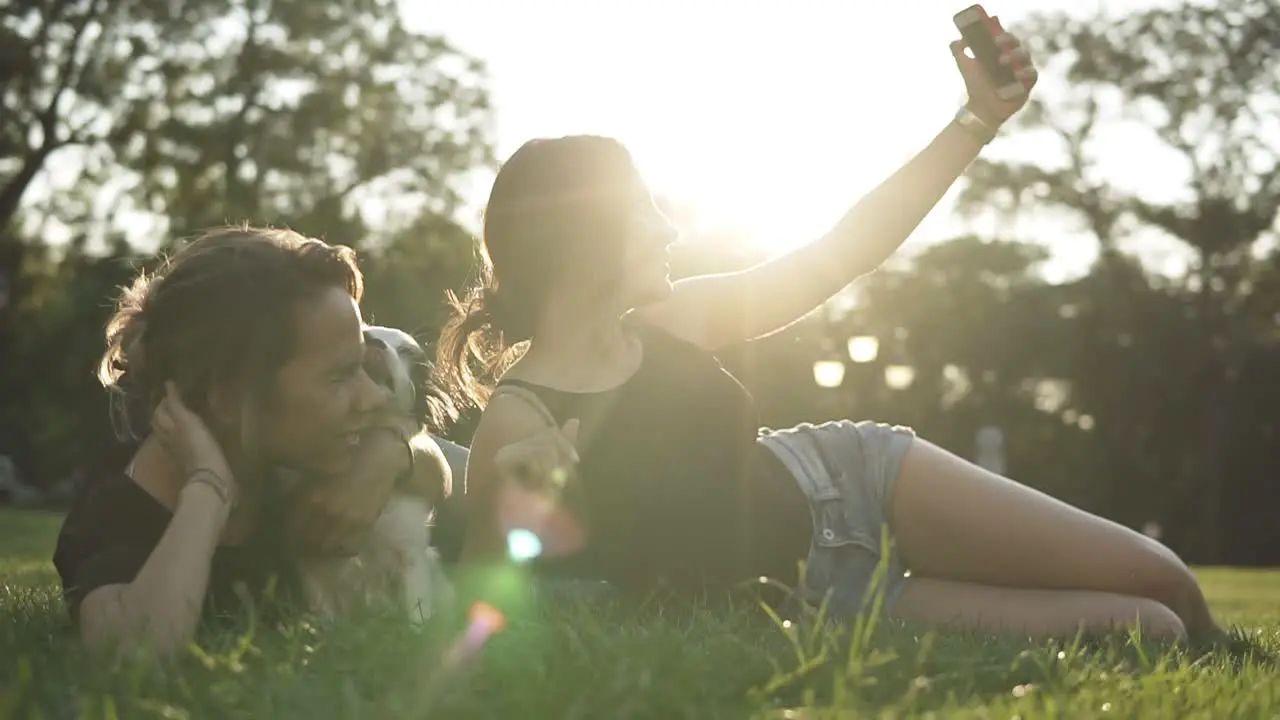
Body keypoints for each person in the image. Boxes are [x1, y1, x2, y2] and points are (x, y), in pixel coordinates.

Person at [436, 31, 1223, 641]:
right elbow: (485, 603)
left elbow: (842, 252)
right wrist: (515, 522)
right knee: (1147, 628)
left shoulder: (675, 320)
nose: (670, 228)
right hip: (820, 595)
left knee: (1167, 581)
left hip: (849, 477)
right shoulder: (521, 417)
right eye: (645, 212)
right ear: (586, 238)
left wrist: (978, 118)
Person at [53, 226, 449, 656]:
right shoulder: (120, 511)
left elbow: (457, 470)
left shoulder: (293, 452)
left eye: (364, 368)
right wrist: (208, 487)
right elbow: (134, 652)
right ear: (229, 399)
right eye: (339, 377)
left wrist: (392, 453)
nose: (374, 397)